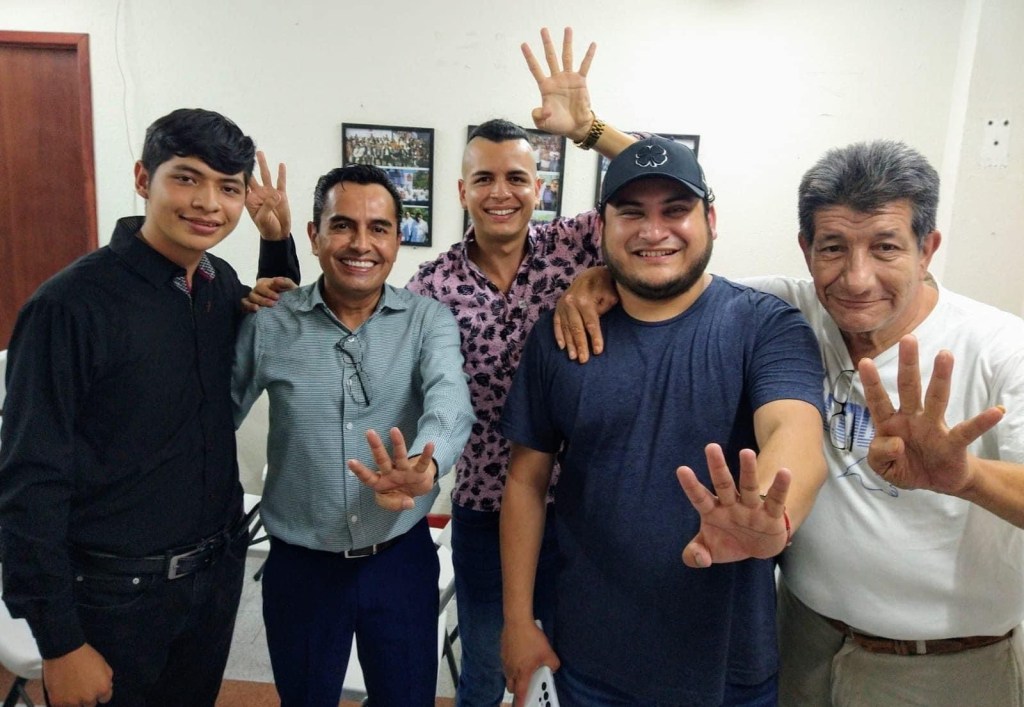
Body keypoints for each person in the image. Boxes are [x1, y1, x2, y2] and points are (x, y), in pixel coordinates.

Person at [554, 140, 1024, 705]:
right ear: (806, 248)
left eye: (885, 248)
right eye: (834, 248)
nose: (856, 279)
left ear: (928, 249)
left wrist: (967, 478)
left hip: (946, 665)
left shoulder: (1001, 348)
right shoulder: (782, 312)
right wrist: (600, 277)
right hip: (802, 640)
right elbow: (671, 256)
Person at [499, 134, 827, 706]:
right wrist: (518, 621)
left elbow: (794, 433)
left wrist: (772, 513)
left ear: (710, 220)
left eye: (675, 210)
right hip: (586, 661)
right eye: (632, 213)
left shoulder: (765, 327)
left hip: (727, 670)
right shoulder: (562, 337)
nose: (654, 232)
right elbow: (526, 481)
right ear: (602, 226)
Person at [0, 108, 299, 707]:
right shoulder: (69, 306)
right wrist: (60, 642)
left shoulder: (216, 283)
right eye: (186, 178)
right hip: (113, 597)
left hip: (212, 580)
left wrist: (276, 243)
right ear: (143, 178)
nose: (208, 203)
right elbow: (30, 480)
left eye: (228, 187)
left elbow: (275, 321)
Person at [405, 27, 636, 707]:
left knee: (576, 667)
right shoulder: (431, 286)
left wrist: (591, 130)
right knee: (486, 668)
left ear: (540, 187)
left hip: (583, 504)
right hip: (484, 508)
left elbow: (673, 190)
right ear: (462, 189)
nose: (500, 192)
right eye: (484, 178)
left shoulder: (579, 244)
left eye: (515, 177)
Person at [232, 163, 475, 707]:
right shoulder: (270, 322)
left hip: (400, 559)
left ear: (397, 239)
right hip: (301, 566)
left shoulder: (427, 320)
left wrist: (427, 463)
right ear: (314, 236)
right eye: (342, 225)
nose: (361, 244)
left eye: (379, 228)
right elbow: (210, 419)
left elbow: (450, 399)